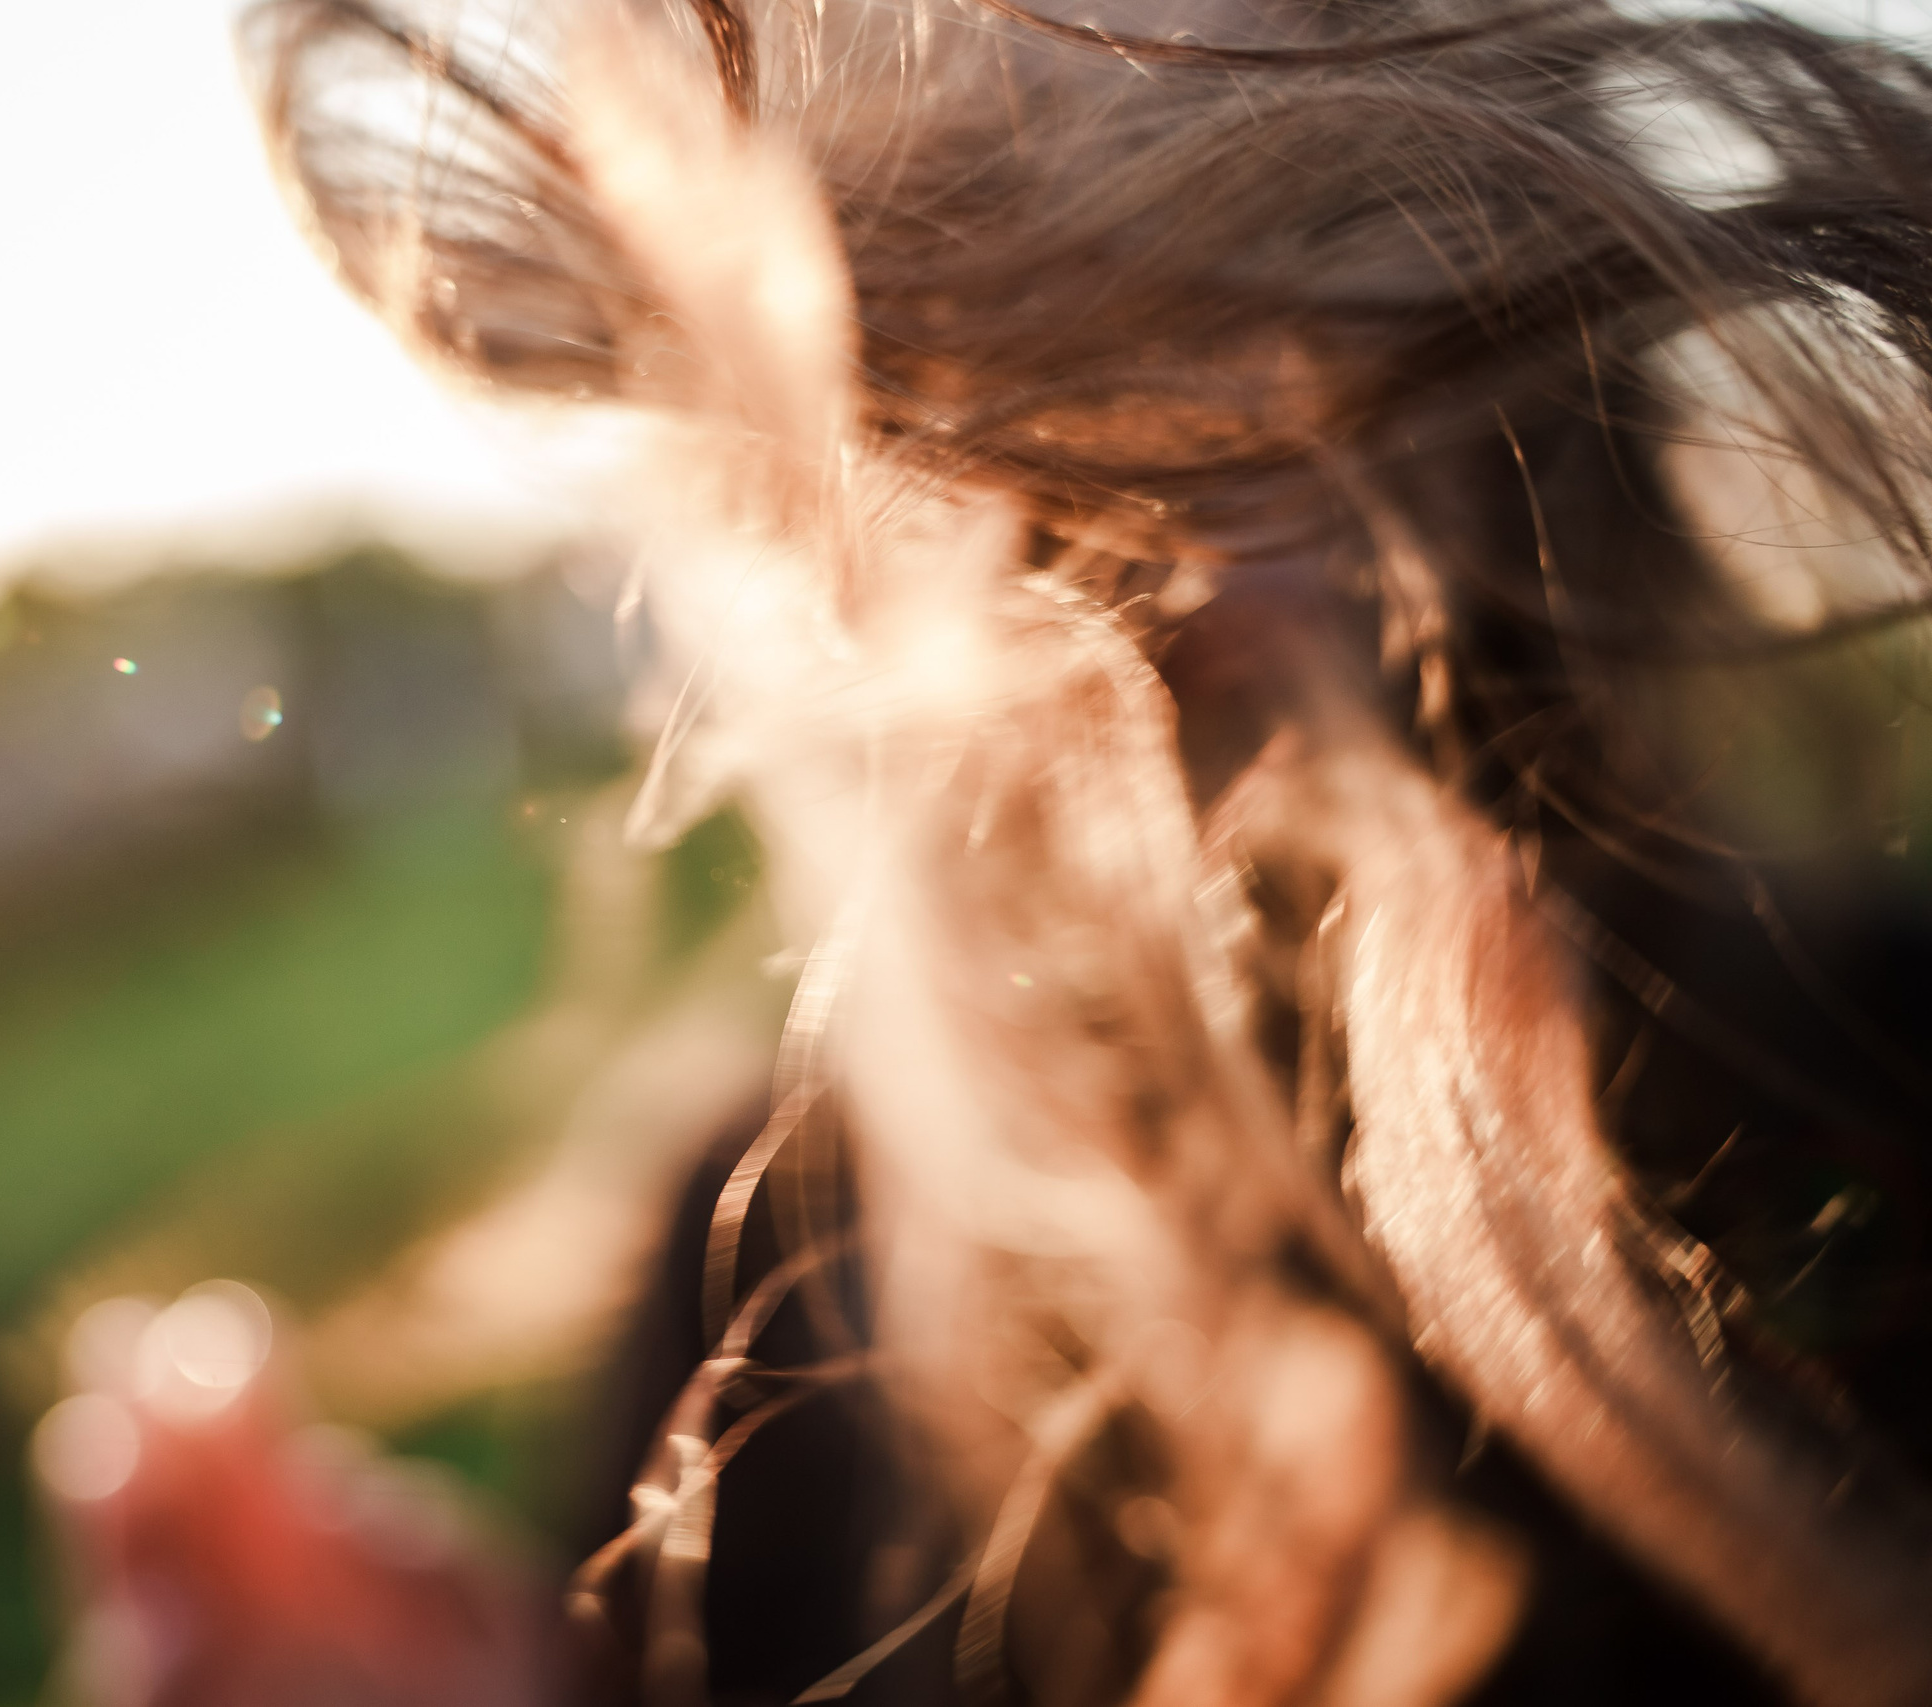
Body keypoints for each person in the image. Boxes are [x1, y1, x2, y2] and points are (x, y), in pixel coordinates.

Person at [237, 0, 1932, 1699]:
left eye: (1253, 340)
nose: (1137, 592)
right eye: (951, 430)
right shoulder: (757, 1289)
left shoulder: (1886, 1078)